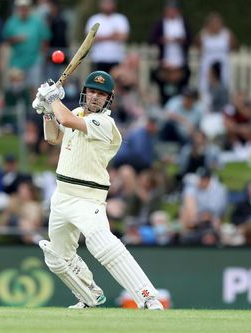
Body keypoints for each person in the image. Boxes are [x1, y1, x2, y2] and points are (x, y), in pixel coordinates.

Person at [31, 70, 163, 309]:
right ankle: (90, 296)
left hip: (87, 198)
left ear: (108, 99)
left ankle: (148, 297)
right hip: (62, 196)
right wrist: (46, 112)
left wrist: (51, 100)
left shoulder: (105, 124)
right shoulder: (76, 112)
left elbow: (69, 122)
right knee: (57, 257)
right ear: (85, 92)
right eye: (92, 91)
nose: (95, 97)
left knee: (102, 244)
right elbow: (52, 138)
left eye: (101, 94)